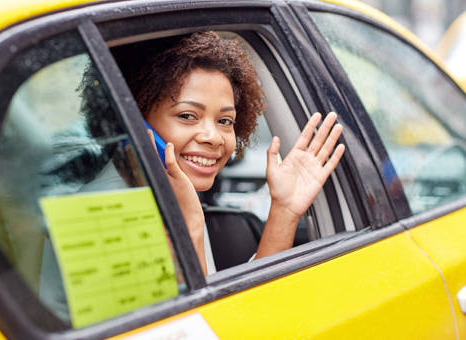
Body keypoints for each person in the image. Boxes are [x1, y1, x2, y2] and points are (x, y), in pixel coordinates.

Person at [110, 31, 345, 275]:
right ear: (135, 121)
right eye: (187, 116)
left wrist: (284, 210)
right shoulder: (114, 216)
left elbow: (246, 307)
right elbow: (204, 313)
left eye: (225, 120)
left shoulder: (177, 198)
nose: (213, 137)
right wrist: (190, 227)